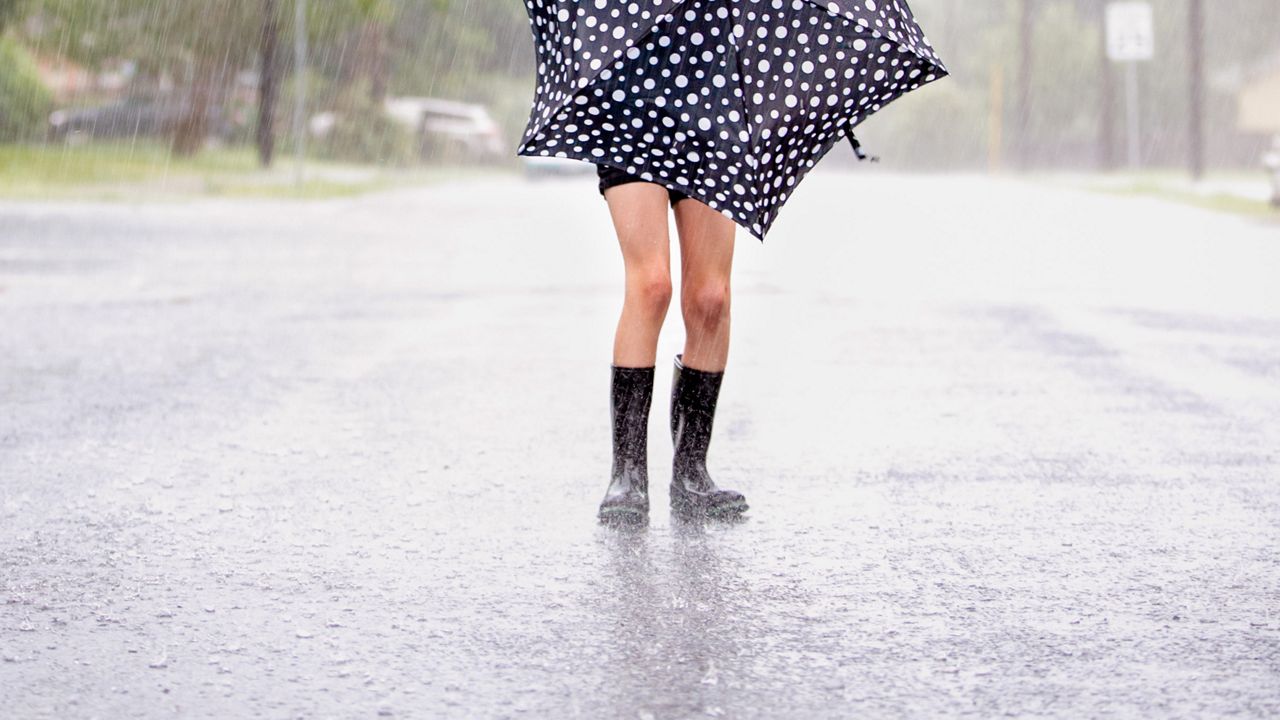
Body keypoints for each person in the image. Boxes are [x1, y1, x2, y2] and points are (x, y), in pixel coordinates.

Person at [594, 163, 748, 525]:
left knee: (712, 299)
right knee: (651, 287)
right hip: (631, 115)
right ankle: (628, 474)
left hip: (708, 119)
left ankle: (691, 472)